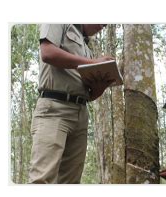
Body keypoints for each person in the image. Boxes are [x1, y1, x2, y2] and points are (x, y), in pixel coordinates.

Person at [28, 24, 113, 183]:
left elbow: (89, 95)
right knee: (42, 179)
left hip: (81, 113)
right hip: (54, 109)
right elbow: (47, 52)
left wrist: (100, 87)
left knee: (70, 182)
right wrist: (92, 63)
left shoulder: (86, 46)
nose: (103, 25)